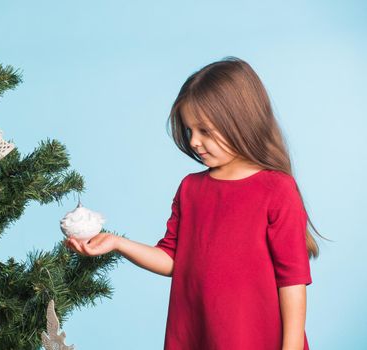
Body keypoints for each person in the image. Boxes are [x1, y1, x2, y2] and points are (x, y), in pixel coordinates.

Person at [64, 57, 324, 350]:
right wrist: (117, 243)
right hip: (197, 338)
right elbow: (173, 260)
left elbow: (292, 282)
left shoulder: (277, 189)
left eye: (204, 131)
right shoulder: (191, 189)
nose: (194, 142)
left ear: (239, 121)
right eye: (189, 131)